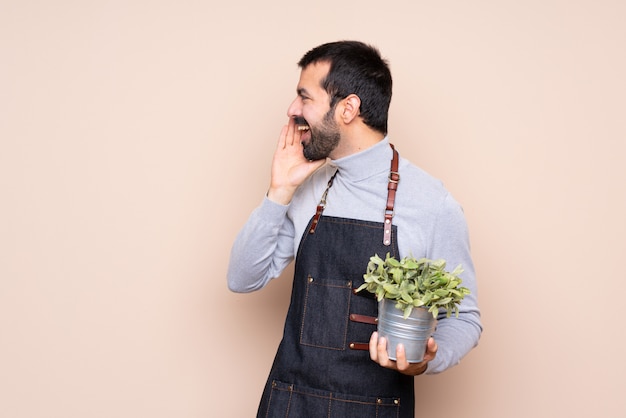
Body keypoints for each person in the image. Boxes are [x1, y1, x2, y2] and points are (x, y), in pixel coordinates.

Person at [227, 40, 482, 418]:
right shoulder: (309, 186)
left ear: (347, 108)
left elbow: (464, 317)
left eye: (304, 98)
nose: (292, 110)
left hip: (376, 408)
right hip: (291, 402)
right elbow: (242, 278)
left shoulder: (431, 203)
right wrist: (278, 192)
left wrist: (427, 359)